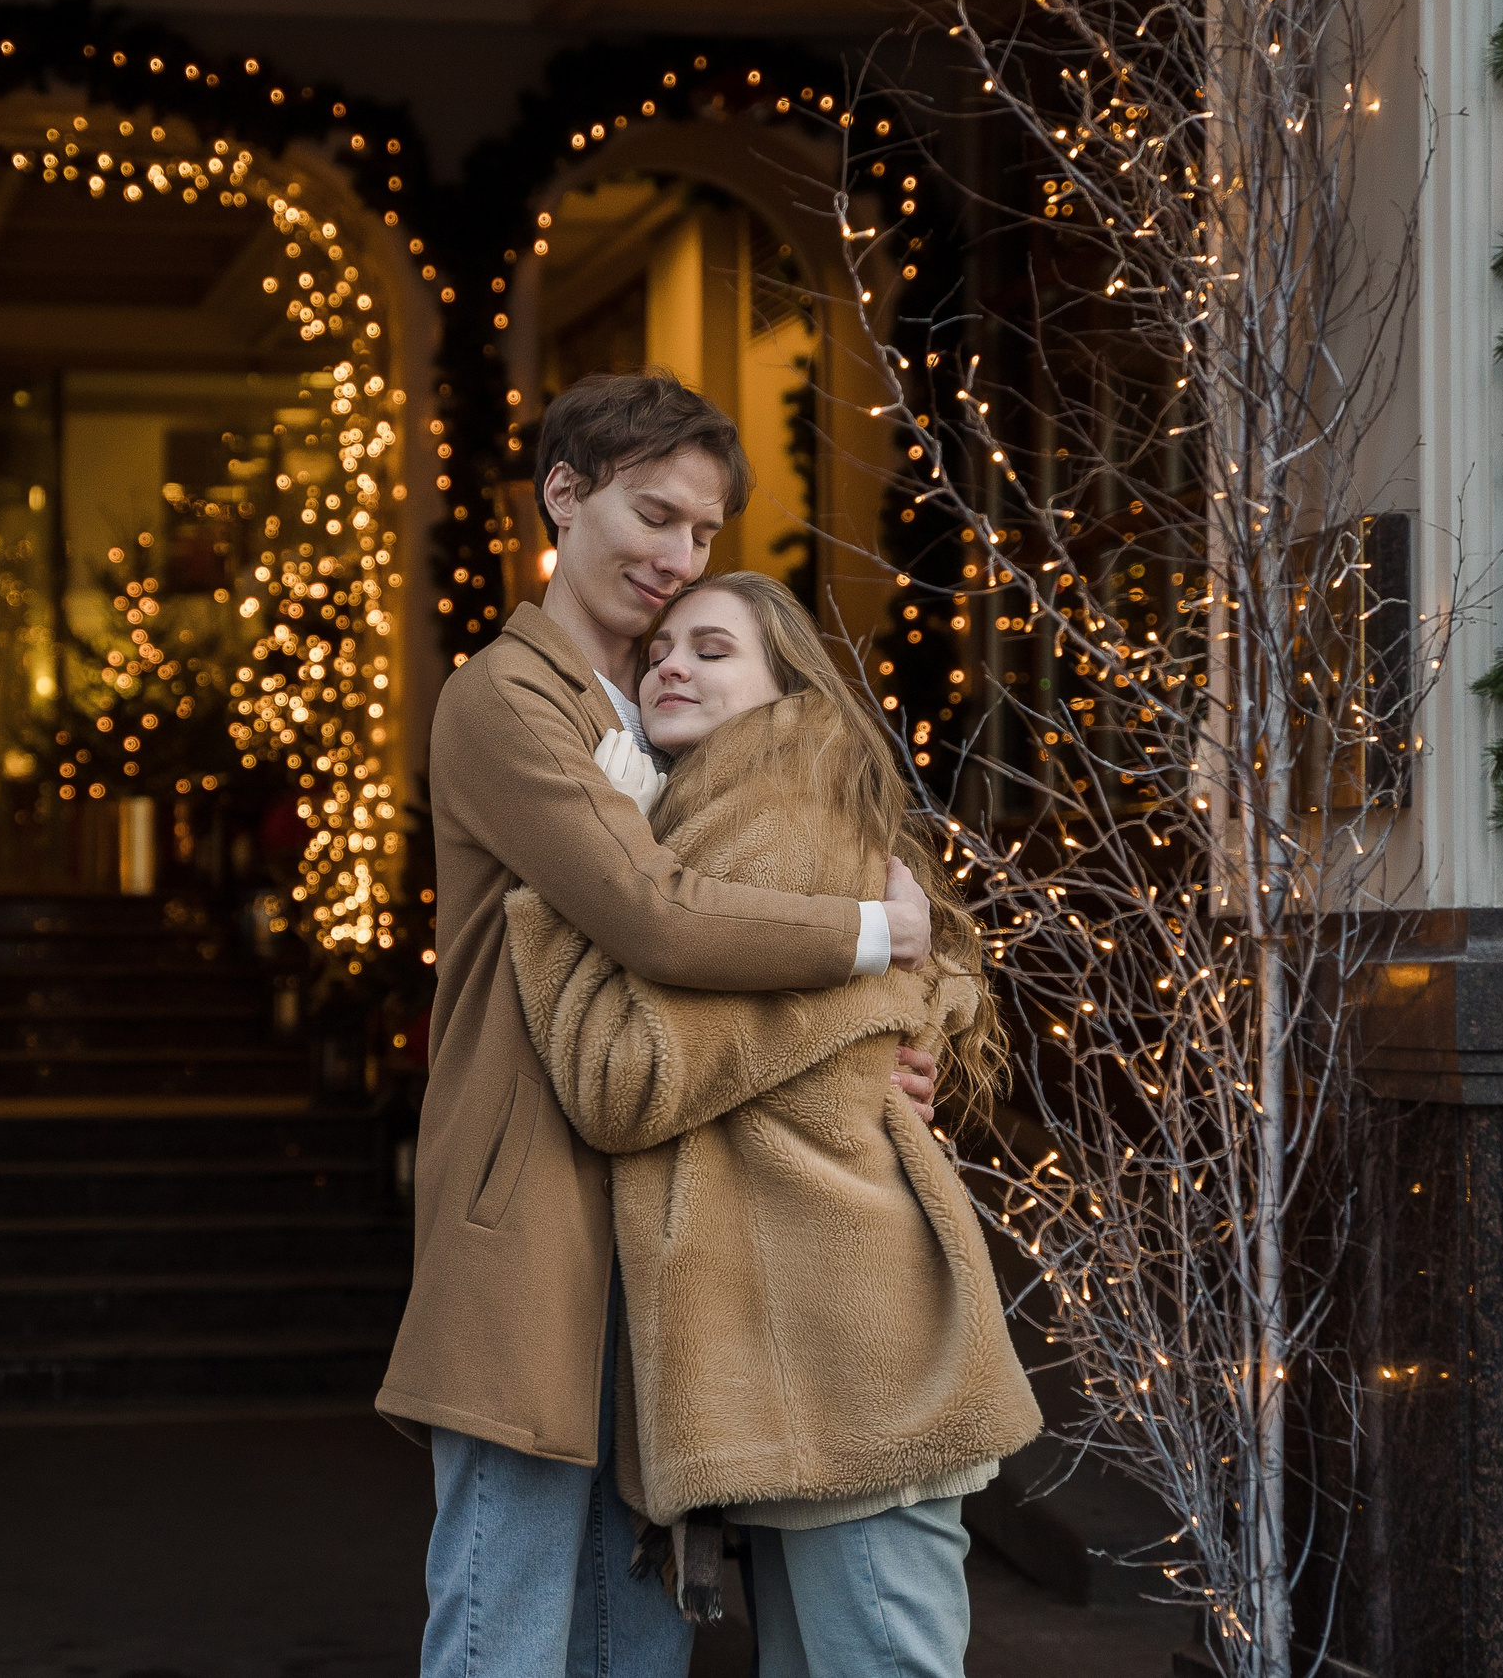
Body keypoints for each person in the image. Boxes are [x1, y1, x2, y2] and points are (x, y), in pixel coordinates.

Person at [376, 370, 939, 1678]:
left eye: (702, 530)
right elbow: (663, 918)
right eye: (654, 512)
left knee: (635, 1642)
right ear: (563, 495)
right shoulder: (506, 701)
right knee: (500, 1631)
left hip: (668, 1243)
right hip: (531, 1231)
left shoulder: (678, 701)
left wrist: (899, 1039)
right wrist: (872, 937)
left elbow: (811, 869)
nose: (679, 556)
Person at [504, 570, 1043, 1678]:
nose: (669, 664)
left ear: (784, 687)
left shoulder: (766, 825)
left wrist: (558, 893)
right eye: (660, 648)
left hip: (846, 1369)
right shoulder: (737, 818)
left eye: (711, 650)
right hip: (828, 1360)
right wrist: (894, 994)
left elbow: (624, 1080)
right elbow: (926, 979)